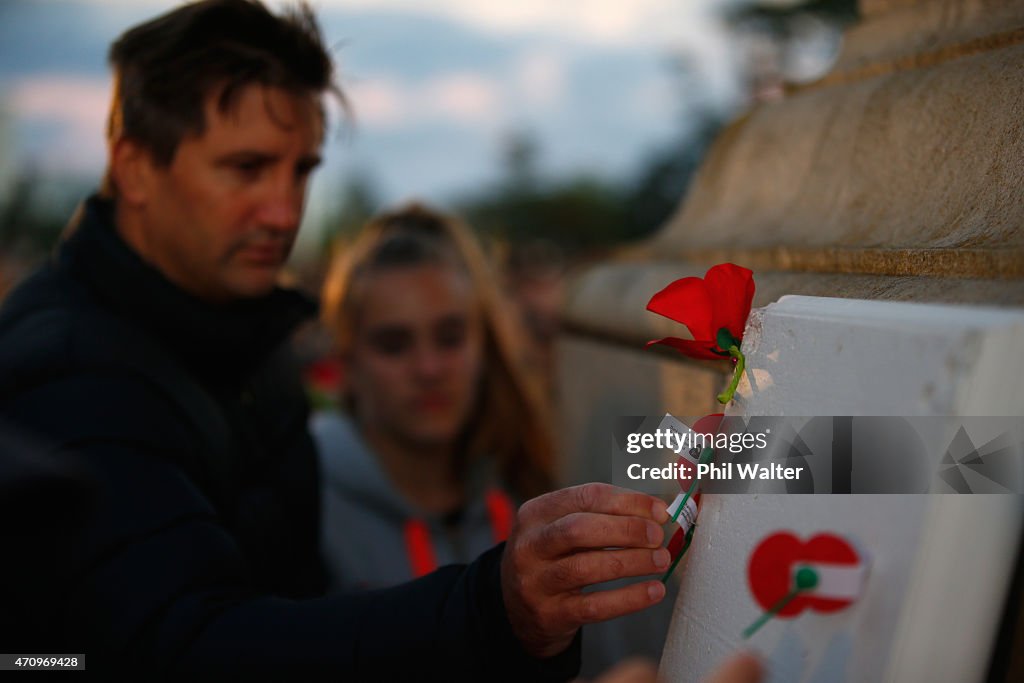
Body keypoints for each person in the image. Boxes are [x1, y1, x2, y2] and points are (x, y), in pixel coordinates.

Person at [0, 1, 671, 678]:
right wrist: (488, 609)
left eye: (300, 171)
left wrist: (749, 454)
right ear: (135, 166)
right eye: (247, 168)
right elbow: (178, 649)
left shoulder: (240, 344)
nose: (284, 211)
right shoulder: (71, 368)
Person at [314, 203, 556, 591]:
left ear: (483, 346)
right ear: (349, 362)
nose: (428, 369)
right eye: (393, 345)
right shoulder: (303, 509)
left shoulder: (530, 487)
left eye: (450, 338)